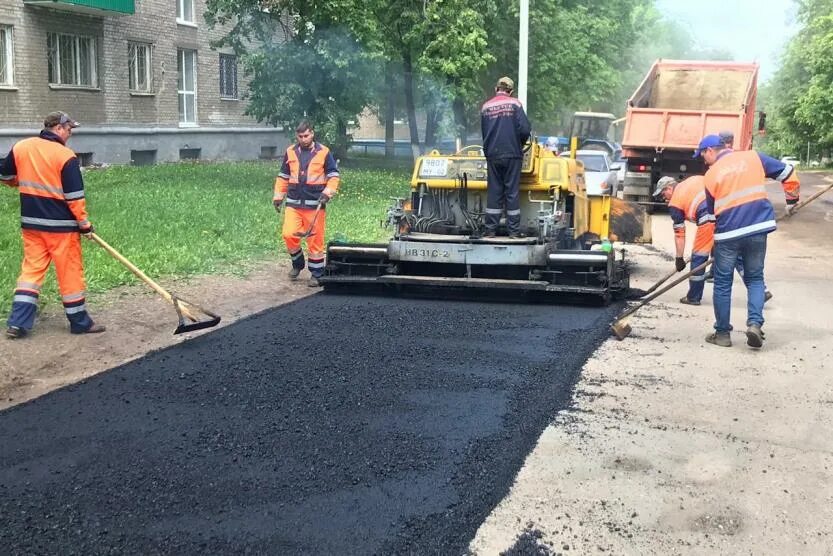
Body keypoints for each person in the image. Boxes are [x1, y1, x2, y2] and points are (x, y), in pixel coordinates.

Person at [0, 111, 105, 339]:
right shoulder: (65, 156)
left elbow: (5, 176)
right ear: (59, 128)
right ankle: (79, 322)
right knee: (70, 275)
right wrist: (84, 225)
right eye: (69, 130)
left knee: (31, 272)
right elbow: (74, 197)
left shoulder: (21, 147)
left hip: (32, 225)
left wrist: (23, 182)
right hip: (62, 229)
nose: (70, 134)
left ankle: (17, 323)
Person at [695, 134, 800, 348]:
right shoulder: (753, 157)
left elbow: (713, 214)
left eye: (702, 155)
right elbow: (788, 173)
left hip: (728, 234)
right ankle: (754, 324)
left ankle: (722, 334)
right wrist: (791, 201)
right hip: (757, 228)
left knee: (723, 283)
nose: (703, 160)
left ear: (710, 151)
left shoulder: (710, 175)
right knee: (755, 279)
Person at [273, 120, 340, 287]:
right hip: (294, 203)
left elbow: (333, 176)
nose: (303, 139)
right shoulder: (290, 152)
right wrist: (278, 197)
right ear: (297, 136)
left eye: (306, 135)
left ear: (312, 133)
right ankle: (297, 263)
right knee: (289, 234)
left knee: (315, 241)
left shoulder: (324, 152)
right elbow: (283, 176)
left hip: (315, 204)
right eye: (300, 136)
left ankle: (316, 274)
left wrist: (327, 193)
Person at [480, 76, 531, 238]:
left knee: (494, 191)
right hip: (512, 154)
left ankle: (490, 230)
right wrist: (519, 144)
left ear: (496, 89)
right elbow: (524, 129)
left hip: (493, 154)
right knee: (511, 191)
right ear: (510, 91)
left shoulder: (486, 107)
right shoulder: (515, 104)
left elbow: (484, 131)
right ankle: (514, 232)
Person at [653, 176, 714, 306]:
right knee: (729, 250)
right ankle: (762, 290)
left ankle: (693, 297)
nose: (663, 198)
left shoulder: (675, 202)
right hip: (726, 213)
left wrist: (679, 258)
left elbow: (680, 234)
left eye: (663, 193)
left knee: (699, 256)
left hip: (708, 218)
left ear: (669, 188)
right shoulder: (692, 180)